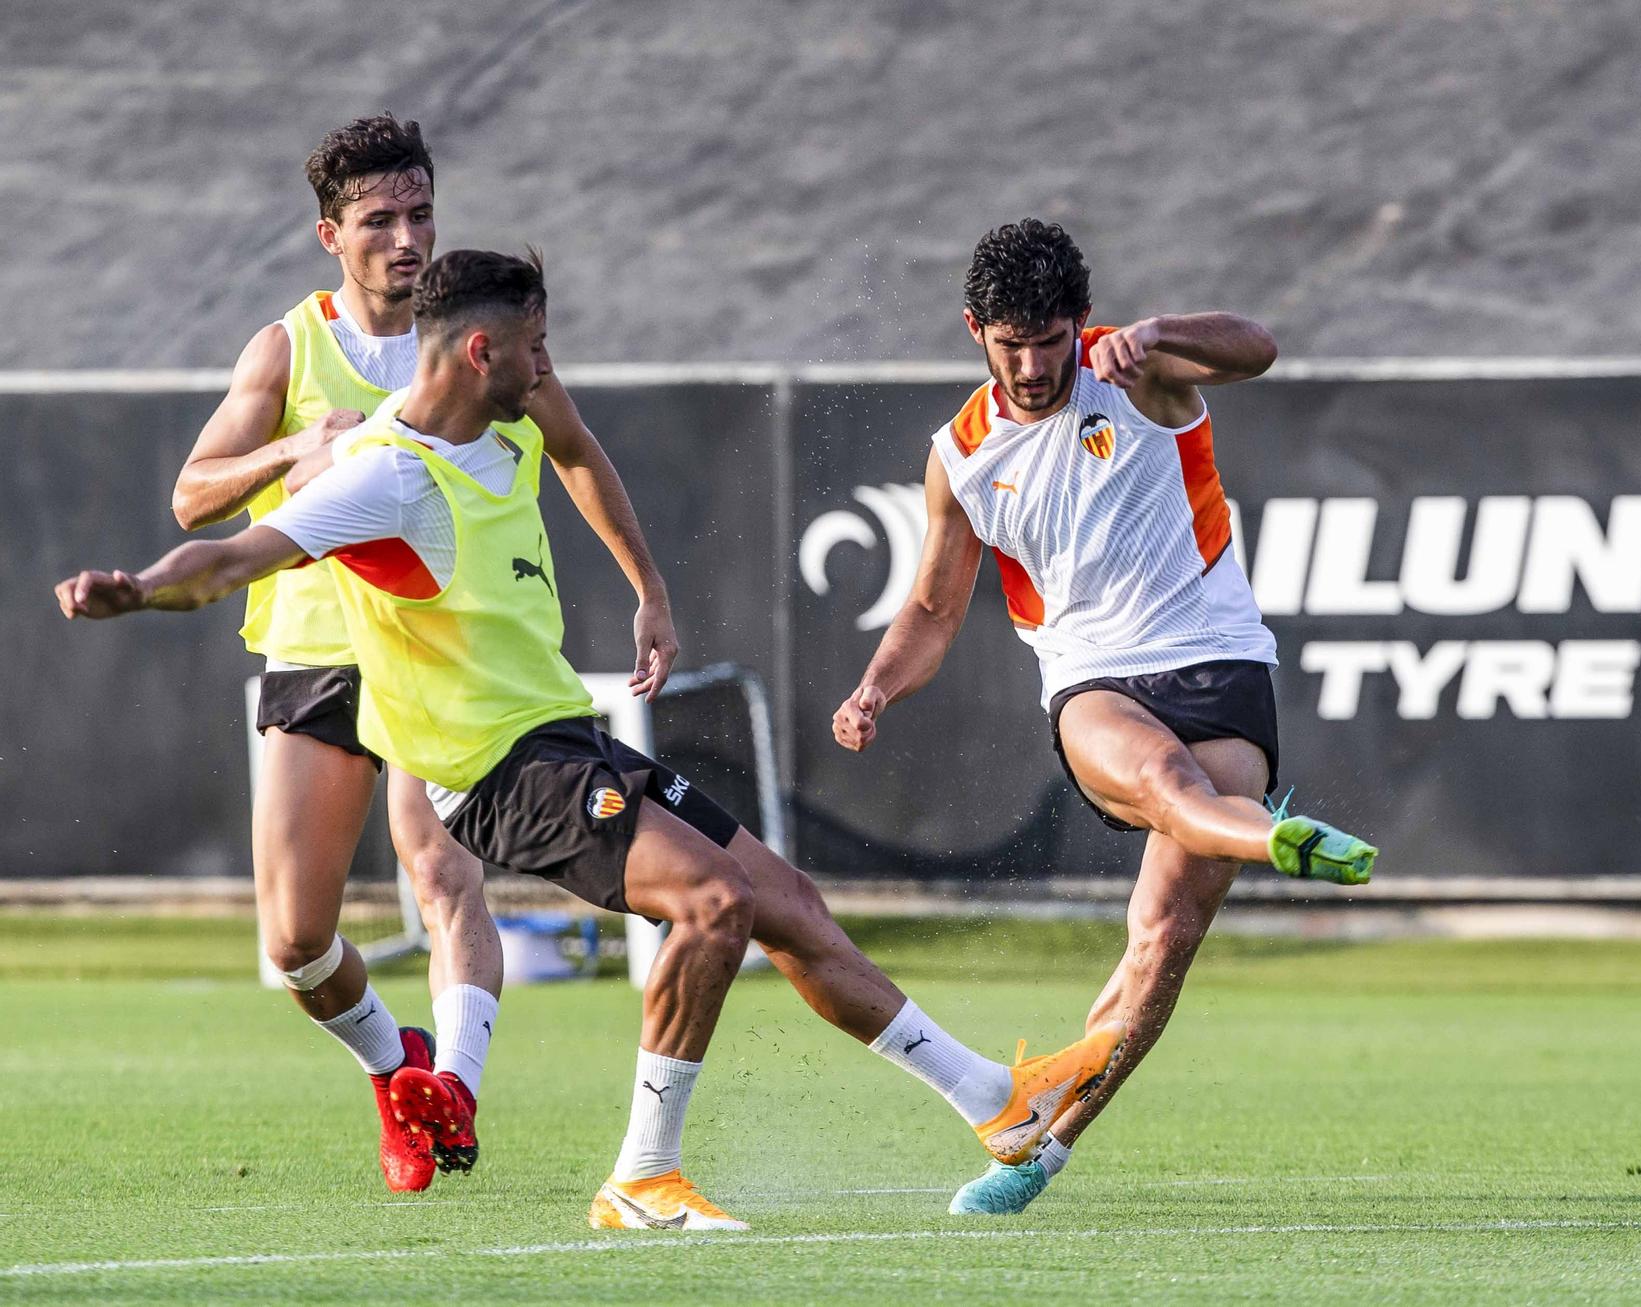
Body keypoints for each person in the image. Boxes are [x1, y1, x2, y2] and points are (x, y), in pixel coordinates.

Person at [57, 249, 1121, 1232]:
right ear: (483, 351)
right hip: (502, 775)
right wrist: (140, 588)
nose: (546, 364)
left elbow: (577, 449)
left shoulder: (502, 420)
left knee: (786, 898)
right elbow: (237, 554)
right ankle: (641, 1176)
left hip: (563, 739)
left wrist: (648, 589)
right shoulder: (387, 472)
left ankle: (998, 1101)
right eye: (536, 345)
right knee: (712, 904)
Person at [167, 114, 677, 1192]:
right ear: (329, 235)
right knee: (298, 943)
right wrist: (293, 448)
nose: (406, 238)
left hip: (440, 649)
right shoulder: (289, 346)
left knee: (443, 872)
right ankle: (391, 1064)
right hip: (317, 650)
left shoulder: (482, 336)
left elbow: (577, 455)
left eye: (420, 214)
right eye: (379, 220)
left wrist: (646, 589)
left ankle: (455, 1090)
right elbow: (192, 492)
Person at [832, 219, 1377, 1216]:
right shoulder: (957, 454)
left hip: (1218, 664)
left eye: (1050, 338)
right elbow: (930, 607)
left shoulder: (1135, 371)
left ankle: (1039, 1151)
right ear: (974, 331)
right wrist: (873, 687)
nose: (1035, 364)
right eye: (1011, 344)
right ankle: (1276, 840)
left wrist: (1163, 328)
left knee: (1162, 935)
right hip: (1094, 682)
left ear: (1078, 322)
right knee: (1175, 790)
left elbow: (1258, 347)